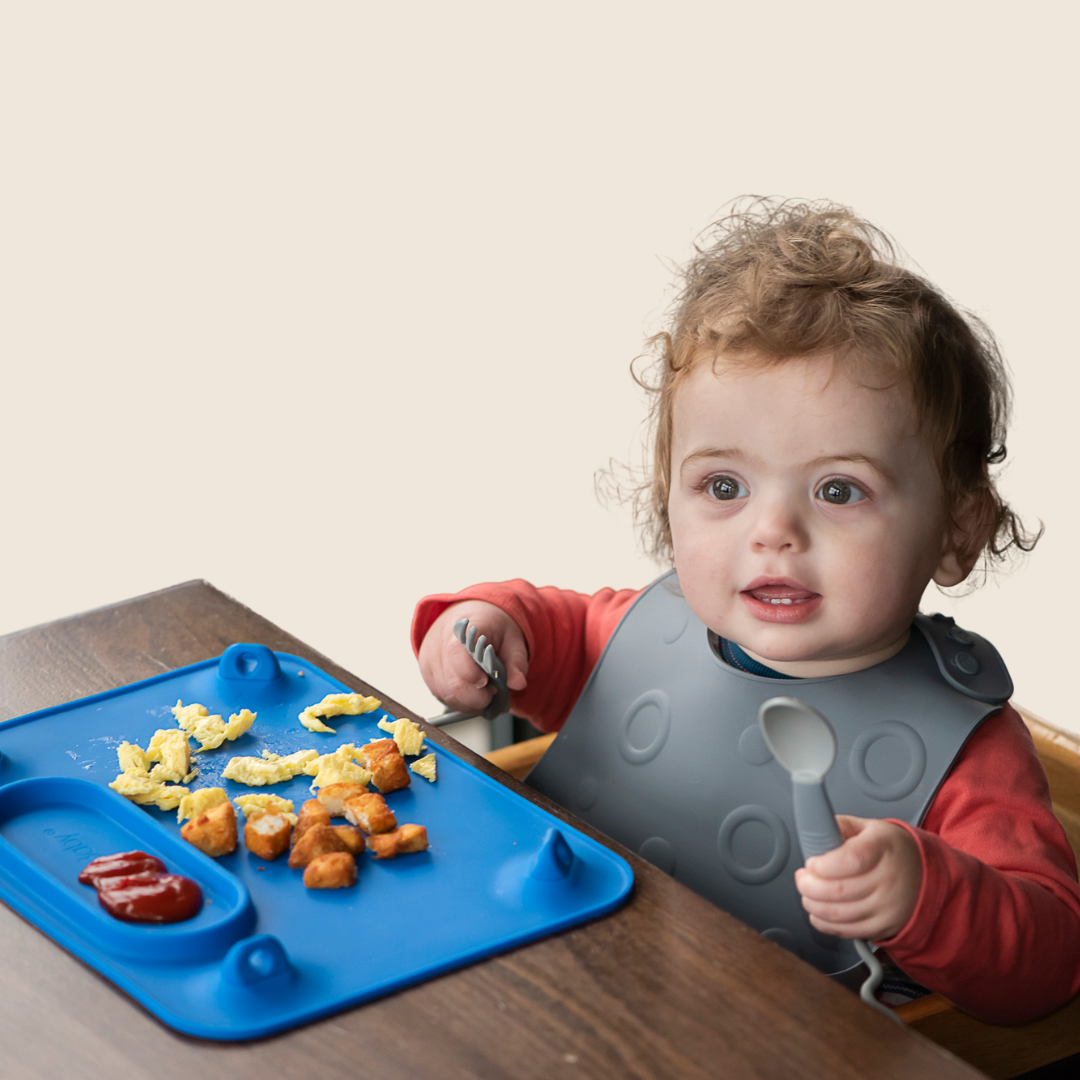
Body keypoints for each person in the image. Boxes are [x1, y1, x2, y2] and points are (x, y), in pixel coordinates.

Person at [411, 200, 1080, 1023]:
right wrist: (481, 624)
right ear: (668, 502)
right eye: (724, 487)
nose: (774, 533)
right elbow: (546, 630)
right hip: (573, 1003)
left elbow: (1051, 964)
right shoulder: (635, 634)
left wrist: (925, 892)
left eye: (840, 490)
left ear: (958, 531)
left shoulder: (970, 755)